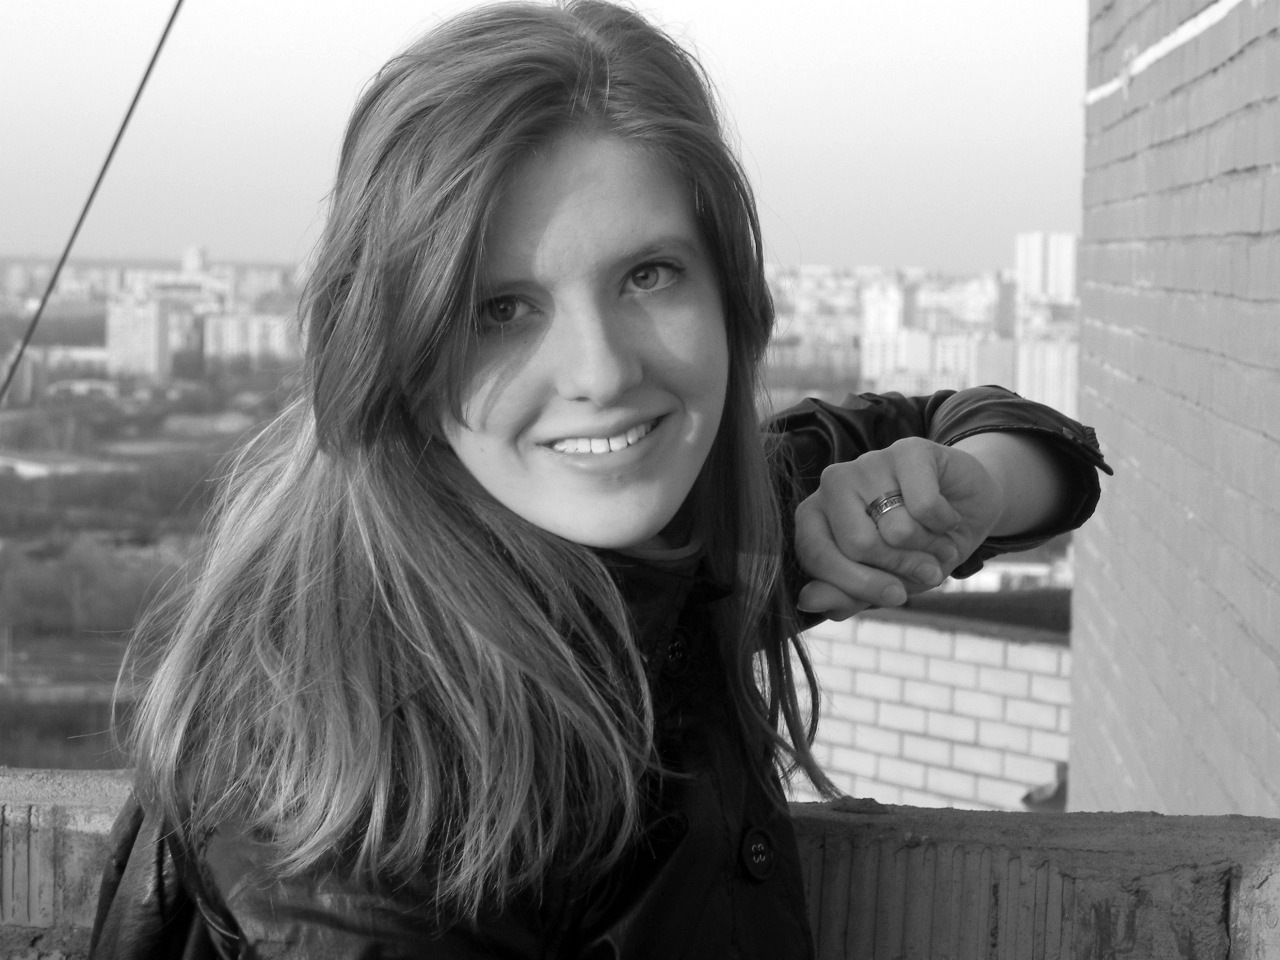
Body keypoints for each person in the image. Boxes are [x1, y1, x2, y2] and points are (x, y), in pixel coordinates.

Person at [89, 2, 1110, 957]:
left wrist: (962, 489)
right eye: (500, 310)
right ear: (399, 349)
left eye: (647, 275)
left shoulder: (690, 521)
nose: (603, 373)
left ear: (728, 293)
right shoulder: (382, 785)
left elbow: (1023, 441)